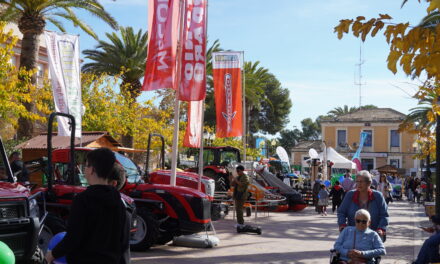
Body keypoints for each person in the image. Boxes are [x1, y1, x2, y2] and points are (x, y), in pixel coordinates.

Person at [45, 148, 129, 264]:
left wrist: (52, 255)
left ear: (92, 170)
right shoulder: (119, 202)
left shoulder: (82, 200)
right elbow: (123, 242)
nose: (85, 168)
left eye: (86, 165)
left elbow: (73, 238)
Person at [337, 170, 389, 240]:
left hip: (373, 235)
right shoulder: (350, 195)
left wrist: (381, 229)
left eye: (361, 182)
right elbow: (341, 212)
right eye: (357, 181)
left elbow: (384, 215)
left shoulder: (378, 196)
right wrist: (342, 225)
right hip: (353, 235)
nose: (358, 184)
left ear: (369, 183)